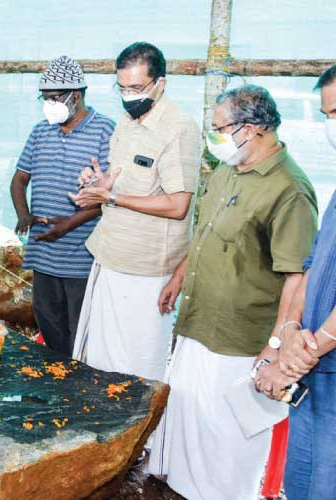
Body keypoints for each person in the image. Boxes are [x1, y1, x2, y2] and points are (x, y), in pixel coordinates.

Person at [144, 84, 318, 499]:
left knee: (227, 434)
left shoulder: (289, 190)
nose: (215, 137)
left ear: (253, 128)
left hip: (241, 337)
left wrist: (277, 344)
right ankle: (183, 486)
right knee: (190, 413)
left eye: (221, 128)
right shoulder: (226, 171)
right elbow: (203, 236)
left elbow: (298, 277)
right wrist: (179, 278)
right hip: (199, 319)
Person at [70, 42, 202, 381]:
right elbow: (120, 181)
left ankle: (140, 434)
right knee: (98, 362)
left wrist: (112, 198)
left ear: (161, 83)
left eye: (137, 88)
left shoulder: (178, 129)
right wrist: (99, 183)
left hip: (145, 271)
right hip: (110, 254)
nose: (129, 95)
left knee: (135, 372)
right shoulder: (125, 123)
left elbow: (178, 204)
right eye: (122, 87)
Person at [256, 65, 336, 500]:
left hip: (319, 362)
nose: (330, 126)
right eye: (327, 115)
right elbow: (311, 268)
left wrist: (292, 358)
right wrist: (287, 333)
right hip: (314, 368)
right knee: (300, 483)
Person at [10, 56, 115, 356]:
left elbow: (109, 196)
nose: (48, 105)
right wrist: (23, 214)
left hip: (82, 255)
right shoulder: (40, 132)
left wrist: (69, 223)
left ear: (76, 96)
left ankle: (79, 389)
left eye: (55, 98)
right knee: (50, 325)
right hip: (43, 252)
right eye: (44, 99)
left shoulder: (105, 131)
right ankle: (57, 385)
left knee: (82, 330)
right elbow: (19, 180)